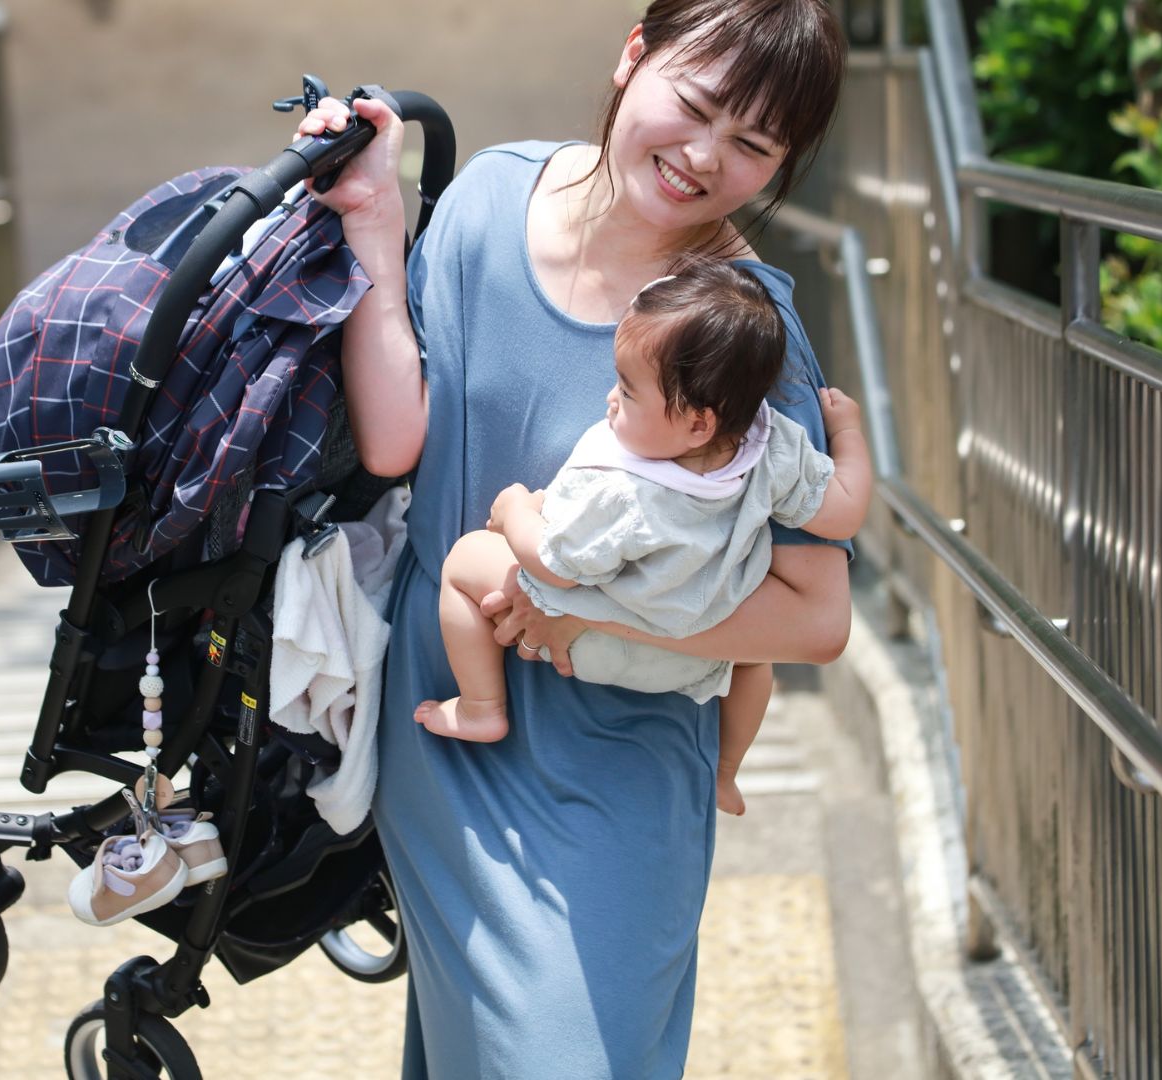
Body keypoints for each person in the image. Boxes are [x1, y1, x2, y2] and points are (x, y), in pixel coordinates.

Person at [295, 0, 850, 1073]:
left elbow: (817, 618)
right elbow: (401, 436)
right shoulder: (494, 196)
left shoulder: (745, 336)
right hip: (450, 722)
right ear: (633, 54)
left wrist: (583, 600)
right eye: (694, 108)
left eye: (752, 146)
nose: (702, 158)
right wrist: (372, 225)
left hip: (622, 751)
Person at [414, 259, 873, 821]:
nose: (611, 399)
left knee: (464, 562)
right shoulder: (771, 448)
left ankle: (483, 706)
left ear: (698, 424)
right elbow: (844, 510)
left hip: (600, 644)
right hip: (708, 654)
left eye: (628, 392)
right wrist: (847, 432)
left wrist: (514, 512)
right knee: (757, 666)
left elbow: (556, 566)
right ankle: (727, 771)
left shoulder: (626, 491)